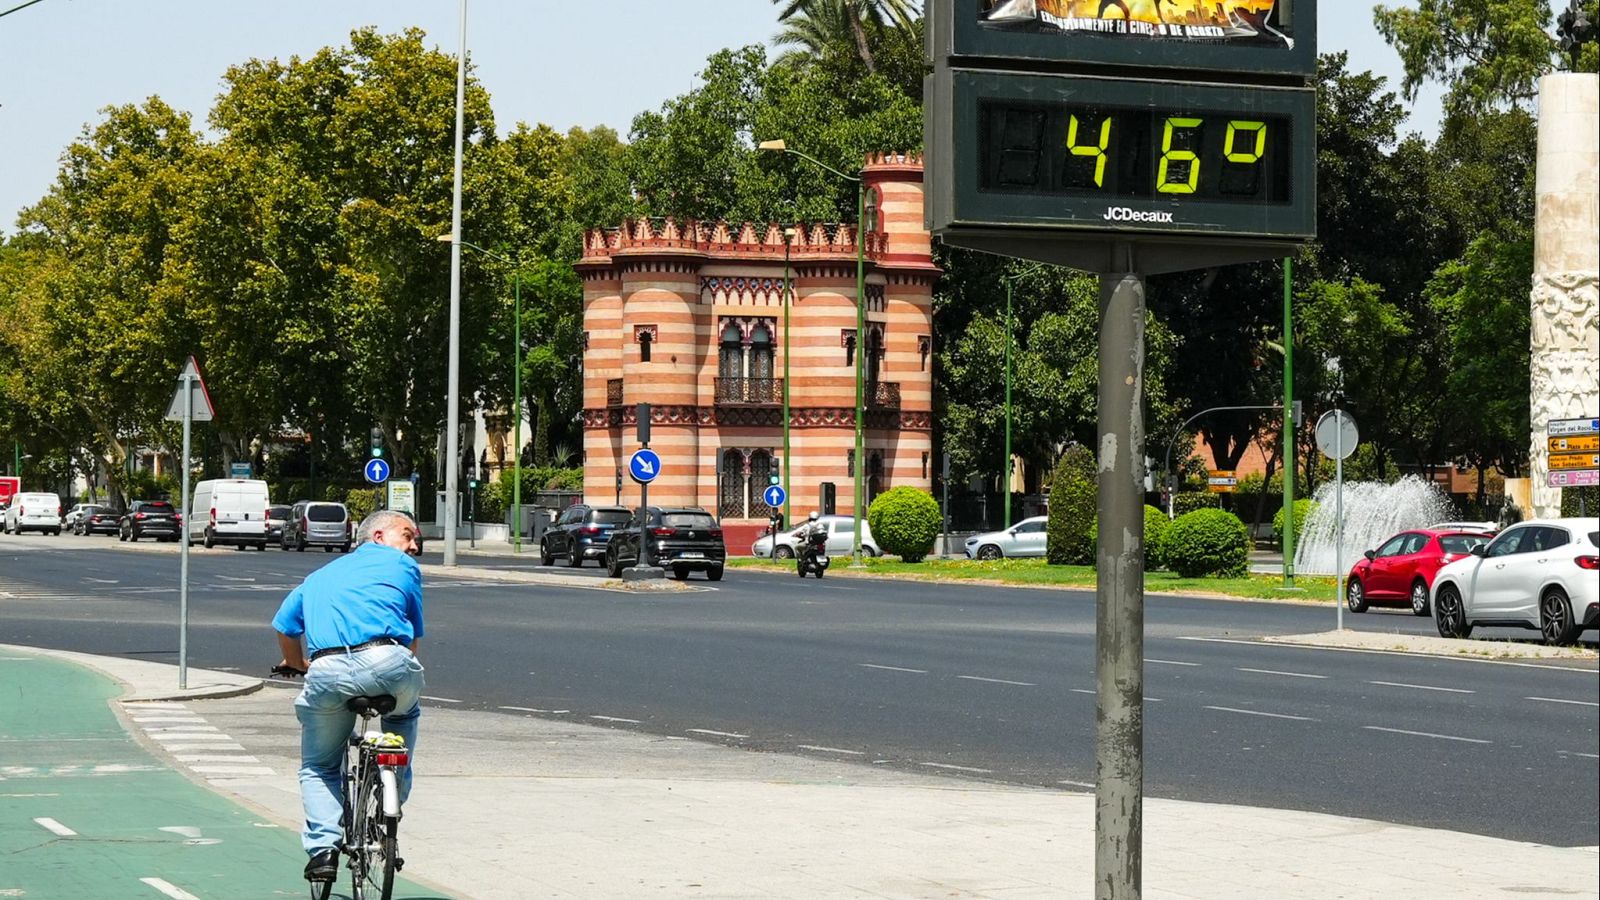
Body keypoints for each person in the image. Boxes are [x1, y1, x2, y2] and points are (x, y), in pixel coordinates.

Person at [271, 509, 426, 883]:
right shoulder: (402, 567)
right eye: (407, 535)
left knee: (320, 765)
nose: (414, 545)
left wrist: (297, 664)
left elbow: (283, 625)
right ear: (378, 537)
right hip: (388, 659)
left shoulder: (317, 577)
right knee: (402, 717)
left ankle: (323, 850)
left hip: (327, 670)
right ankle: (388, 810)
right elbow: (412, 638)